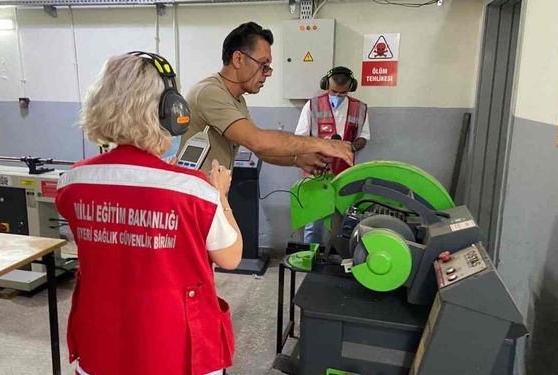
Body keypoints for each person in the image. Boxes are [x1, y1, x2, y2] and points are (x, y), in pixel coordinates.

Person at [55, 52, 242, 375]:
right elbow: (230, 257)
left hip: (101, 347)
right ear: (171, 110)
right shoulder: (195, 191)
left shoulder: (72, 181)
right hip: (177, 352)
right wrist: (221, 195)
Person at [179, 21, 354, 174]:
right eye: (263, 65)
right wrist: (323, 144)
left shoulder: (236, 99)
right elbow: (258, 141)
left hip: (210, 195)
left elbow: (262, 151)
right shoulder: (209, 93)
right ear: (238, 59)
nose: (267, 74)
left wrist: (296, 160)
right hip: (192, 199)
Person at [294, 66, 370, 244]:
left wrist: (349, 146)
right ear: (326, 85)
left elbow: (364, 137)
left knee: (346, 217)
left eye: (342, 93)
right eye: (334, 92)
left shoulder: (360, 108)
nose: (337, 96)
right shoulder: (312, 105)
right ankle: (310, 254)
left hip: (346, 172)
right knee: (315, 218)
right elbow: (300, 138)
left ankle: (342, 255)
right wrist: (321, 146)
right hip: (317, 170)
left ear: (351, 88)